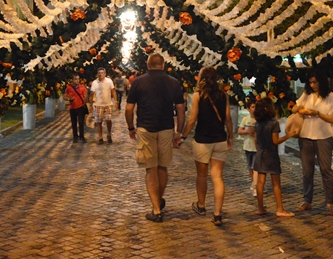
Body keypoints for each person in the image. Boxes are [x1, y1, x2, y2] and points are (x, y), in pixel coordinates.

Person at [126, 53, 186, 223]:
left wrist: (131, 128)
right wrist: (178, 132)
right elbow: (181, 110)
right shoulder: (174, 82)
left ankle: (156, 209)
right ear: (163, 64)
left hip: (146, 128)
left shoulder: (138, 82)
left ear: (148, 64)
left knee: (150, 169)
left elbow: (129, 109)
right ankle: (158, 201)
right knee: (163, 167)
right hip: (166, 128)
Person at [179, 66, 233, 226]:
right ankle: (217, 214)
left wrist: (183, 136)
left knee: (202, 175)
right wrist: (230, 136)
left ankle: (201, 206)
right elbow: (228, 118)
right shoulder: (224, 95)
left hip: (202, 140)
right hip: (220, 139)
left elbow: (192, 119)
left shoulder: (198, 95)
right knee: (217, 177)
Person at [292, 70, 333, 215]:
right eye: (310, 82)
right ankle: (307, 200)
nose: (312, 85)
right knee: (307, 171)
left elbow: (332, 119)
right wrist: (298, 109)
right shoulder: (306, 94)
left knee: (325, 170)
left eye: (315, 82)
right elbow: (294, 108)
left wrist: (317, 113)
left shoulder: (330, 96)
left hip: (323, 136)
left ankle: (330, 202)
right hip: (306, 135)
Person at [253, 97, 297, 218]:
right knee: (276, 183)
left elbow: (255, 140)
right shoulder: (274, 123)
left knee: (260, 182)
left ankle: (260, 208)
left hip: (260, 153)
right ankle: (280, 209)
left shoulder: (257, 123)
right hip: (271, 154)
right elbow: (275, 141)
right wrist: (289, 135)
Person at [90, 68, 117, 144]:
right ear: (97, 74)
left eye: (102, 73)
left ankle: (108, 134)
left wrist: (116, 101)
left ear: (105, 74)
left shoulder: (109, 81)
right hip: (98, 105)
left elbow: (113, 91)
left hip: (108, 104)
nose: (100, 74)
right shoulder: (95, 83)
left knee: (108, 120)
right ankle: (100, 137)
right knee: (99, 122)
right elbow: (91, 93)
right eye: (99, 73)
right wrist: (91, 104)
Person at [238, 100, 258, 197]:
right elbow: (239, 130)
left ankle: (255, 186)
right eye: (253, 107)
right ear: (248, 109)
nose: (255, 109)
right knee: (250, 167)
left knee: (255, 167)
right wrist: (246, 131)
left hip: (256, 148)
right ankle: (254, 182)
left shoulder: (259, 120)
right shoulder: (245, 119)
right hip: (247, 146)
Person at [65, 74, 88, 143]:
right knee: (74, 123)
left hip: (81, 107)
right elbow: (65, 97)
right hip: (72, 108)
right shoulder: (69, 88)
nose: (77, 80)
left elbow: (85, 96)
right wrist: (69, 98)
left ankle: (82, 136)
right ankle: (75, 136)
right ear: (72, 80)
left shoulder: (82, 87)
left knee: (81, 122)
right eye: (75, 79)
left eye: (78, 79)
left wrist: (84, 102)